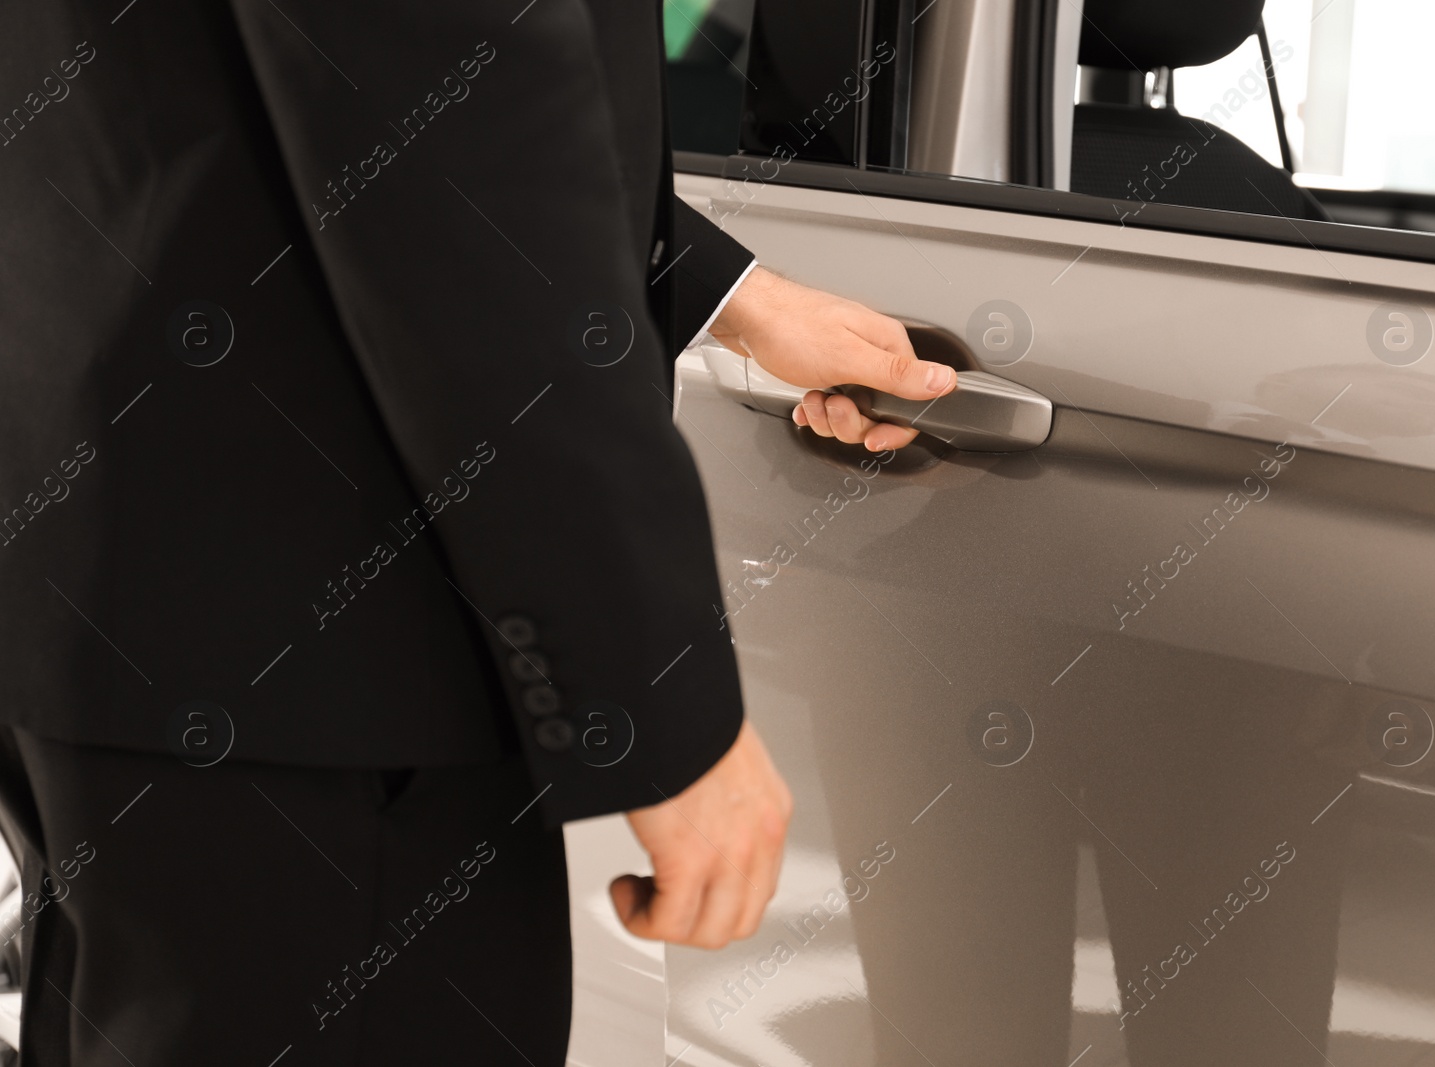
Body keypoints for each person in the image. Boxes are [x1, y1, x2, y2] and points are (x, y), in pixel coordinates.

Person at [0, 0, 955, 1062]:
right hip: (324, 667)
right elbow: (459, 168)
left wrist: (728, 290)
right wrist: (662, 714)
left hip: (126, 591)